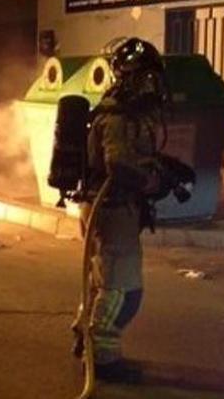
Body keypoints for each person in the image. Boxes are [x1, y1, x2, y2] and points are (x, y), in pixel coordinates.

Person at [72, 37, 171, 382]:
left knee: (103, 280)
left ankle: (84, 334)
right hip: (112, 208)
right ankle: (103, 357)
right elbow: (120, 165)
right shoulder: (118, 115)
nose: (152, 85)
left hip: (106, 207)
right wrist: (154, 182)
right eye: (146, 77)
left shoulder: (117, 109)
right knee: (123, 288)